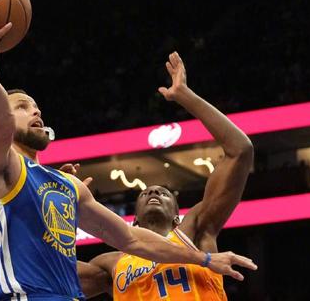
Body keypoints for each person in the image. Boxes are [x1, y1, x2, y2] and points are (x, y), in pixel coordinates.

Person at [0, 4, 257, 301]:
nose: (36, 111)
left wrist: (205, 259)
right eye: (22, 106)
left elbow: (131, 238)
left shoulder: (69, 187)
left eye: (36, 106)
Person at [74, 52, 254, 300]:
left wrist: (186, 96)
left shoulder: (196, 230)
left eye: (165, 193)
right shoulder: (110, 263)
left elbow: (240, 151)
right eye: (145, 193)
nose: (153, 191)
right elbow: (48, 276)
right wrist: (56, 204)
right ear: (134, 220)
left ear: (177, 217)